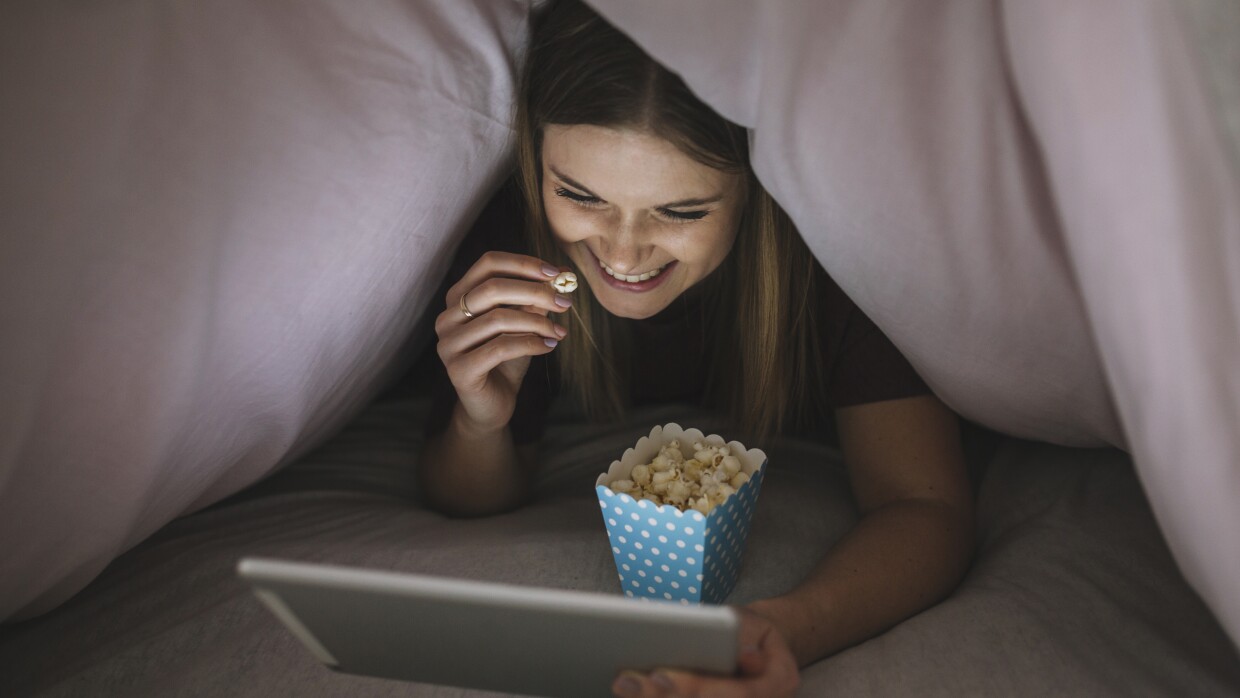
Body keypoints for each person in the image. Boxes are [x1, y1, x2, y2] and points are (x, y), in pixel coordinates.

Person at [419, 1, 974, 695]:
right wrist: (480, 418)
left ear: (756, 185)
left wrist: (782, 628)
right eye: (581, 196)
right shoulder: (518, 248)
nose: (621, 253)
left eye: (680, 212)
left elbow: (926, 506)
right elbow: (465, 499)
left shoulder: (834, 254)